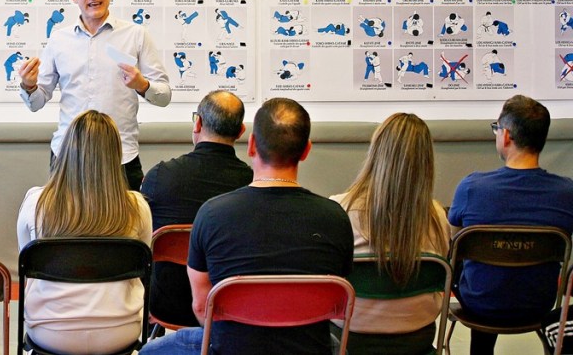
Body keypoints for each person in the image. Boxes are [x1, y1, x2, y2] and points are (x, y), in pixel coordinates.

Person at [140, 98, 353, 355]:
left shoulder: (211, 214)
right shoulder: (335, 218)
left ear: (251, 145)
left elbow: (200, 308)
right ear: (306, 150)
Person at [18, 0, 171, 190]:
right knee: (66, 225)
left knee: (125, 225)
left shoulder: (136, 35)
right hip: (68, 156)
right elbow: (36, 103)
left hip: (120, 156)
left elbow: (164, 96)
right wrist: (29, 86)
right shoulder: (59, 39)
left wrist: (142, 85)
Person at [17, 110, 152, 354]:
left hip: (50, 331)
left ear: (66, 151)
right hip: (120, 331)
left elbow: (26, 267)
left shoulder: (35, 203)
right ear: (116, 156)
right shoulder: (138, 207)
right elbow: (142, 269)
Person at [448, 95, 573, 355]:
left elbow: (454, 244)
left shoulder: (472, 187)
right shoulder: (566, 192)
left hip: (479, 303)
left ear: (505, 136)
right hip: (539, 304)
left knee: (470, 267)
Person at [330, 113, 450, 355]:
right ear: (427, 162)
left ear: (375, 153)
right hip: (417, 340)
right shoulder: (437, 216)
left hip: (350, 341)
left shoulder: (339, 210)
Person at [140, 91, 253, 328]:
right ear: (241, 131)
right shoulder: (251, 183)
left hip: (166, 306)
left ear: (198, 123)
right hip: (228, 307)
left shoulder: (160, 176)